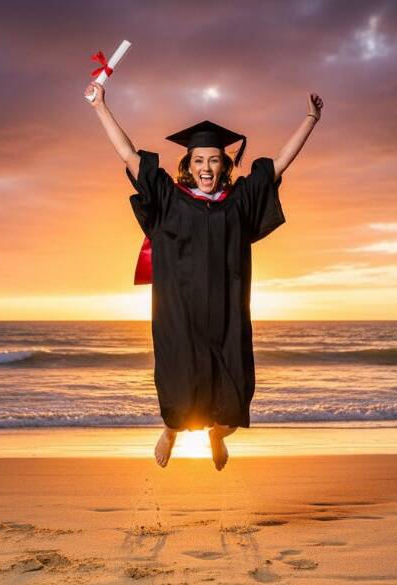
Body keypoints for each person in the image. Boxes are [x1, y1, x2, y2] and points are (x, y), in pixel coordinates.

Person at [85, 80, 323, 470]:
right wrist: (100, 106)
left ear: (225, 165)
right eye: (199, 160)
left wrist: (310, 120)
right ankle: (171, 432)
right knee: (181, 389)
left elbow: (279, 163)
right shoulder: (168, 198)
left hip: (227, 319)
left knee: (233, 398)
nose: (206, 168)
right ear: (188, 164)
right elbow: (128, 153)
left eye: (214, 160)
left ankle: (217, 435)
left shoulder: (240, 201)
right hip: (181, 318)